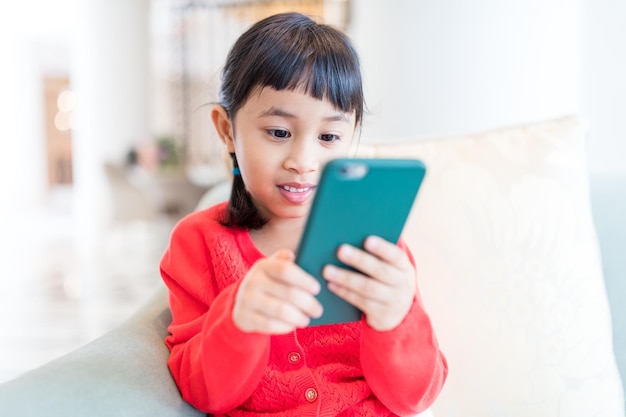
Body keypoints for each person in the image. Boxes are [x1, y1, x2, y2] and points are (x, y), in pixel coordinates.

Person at [160, 12, 447, 416]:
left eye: (329, 136)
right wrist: (239, 320)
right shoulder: (198, 242)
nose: (304, 160)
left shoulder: (375, 243)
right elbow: (201, 391)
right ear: (227, 131)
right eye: (278, 132)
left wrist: (396, 318)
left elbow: (417, 396)